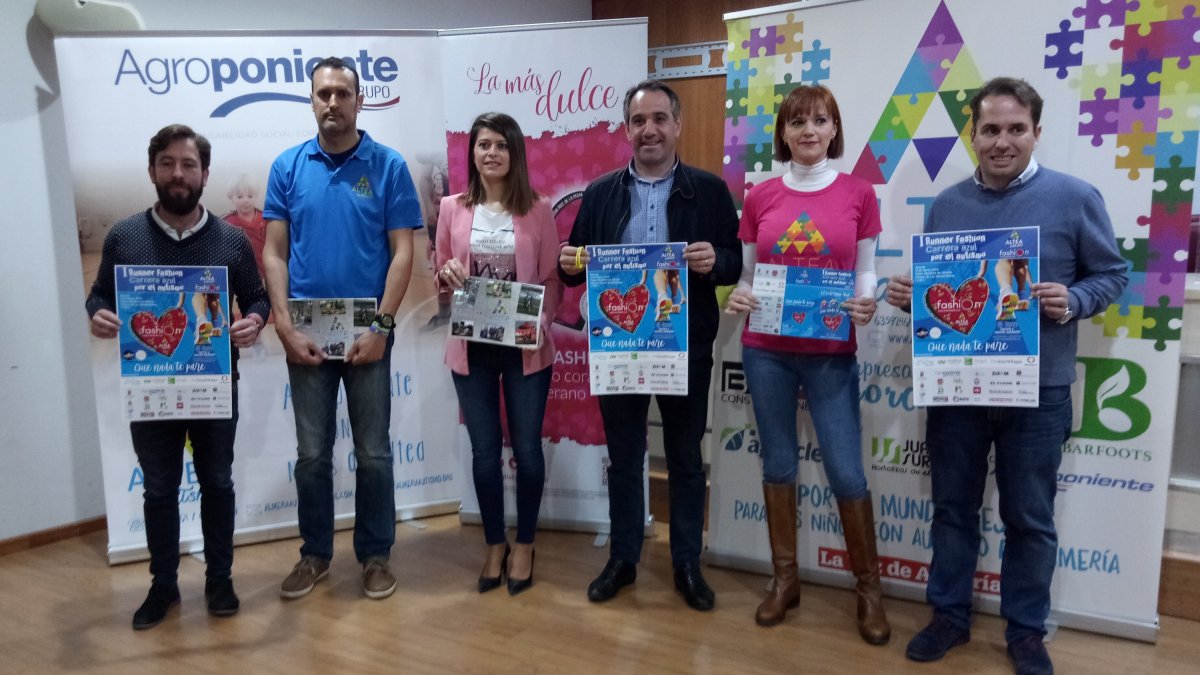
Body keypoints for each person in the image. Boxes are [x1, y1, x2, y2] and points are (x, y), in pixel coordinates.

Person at [885, 77, 1127, 675]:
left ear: (1036, 132)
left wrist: (1071, 300)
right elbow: (951, 296)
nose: (1001, 141)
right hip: (958, 387)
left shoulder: (1075, 197)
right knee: (952, 509)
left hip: (1038, 394)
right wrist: (911, 299)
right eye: (990, 129)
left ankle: (1024, 632)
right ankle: (948, 617)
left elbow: (1113, 275)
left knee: (1029, 519)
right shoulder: (947, 204)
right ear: (973, 135)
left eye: (1015, 129)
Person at [558, 80, 741, 611]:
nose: (649, 130)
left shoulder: (707, 191)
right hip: (619, 348)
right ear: (628, 129)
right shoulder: (600, 193)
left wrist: (717, 262)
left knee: (685, 459)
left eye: (660, 119)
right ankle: (623, 558)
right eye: (639, 121)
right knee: (624, 456)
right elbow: (572, 271)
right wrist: (570, 261)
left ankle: (687, 561)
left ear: (677, 125)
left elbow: (733, 260)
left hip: (685, 347)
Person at [86, 124, 269, 630]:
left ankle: (220, 579)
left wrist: (254, 321)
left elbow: (258, 298)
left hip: (213, 386)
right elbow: (100, 295)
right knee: (160, 490)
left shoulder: (231, 239)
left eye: (189, 164)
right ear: (152, 171)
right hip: (151, 392)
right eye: (167, 163)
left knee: (217, 482)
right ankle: (163, 585)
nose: (178, 173)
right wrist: (98, 313)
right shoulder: (124, 236)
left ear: (205, 174)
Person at [724, 85, 889, 643]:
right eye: (798, 123)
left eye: (820, 120)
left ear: (835, 129)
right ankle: (785, 580)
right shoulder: (760, 196)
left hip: (830, 352)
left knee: (846, 471)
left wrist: (866, 301)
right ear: (784, 133)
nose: (809, 131)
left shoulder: (860, 193)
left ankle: (869, 590)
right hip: (766, 348)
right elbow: (748, 275)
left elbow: (864, 271)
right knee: (778, 466)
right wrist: (737, 296)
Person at [262, 56, 422, 601]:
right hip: (306, 331)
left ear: (359, 100)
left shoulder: (388, 166)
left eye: (342, 93)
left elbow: (403, 253)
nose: (332, 102)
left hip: (368, 330)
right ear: (311, 100)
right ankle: (315, 555)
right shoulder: (288, 165)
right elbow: (274, 252)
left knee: (374, 452)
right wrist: (282, 324)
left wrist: (381, 326)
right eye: (323, 94)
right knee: (312, 454)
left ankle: (376, 555)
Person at [434, 112, 561, 595]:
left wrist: (541, 321)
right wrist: (446, 270)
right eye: (483, 144)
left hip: (524, 349)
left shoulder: (539, 209)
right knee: (485, 454)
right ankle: (494, 543)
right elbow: (440, 266)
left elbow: (551, 280)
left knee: (527, 451)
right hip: (473, 348)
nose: (492, 153)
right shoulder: (451, 207)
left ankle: (525, 542)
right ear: (472, 152)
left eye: (502, 145)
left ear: (515, 154)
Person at [221, 174, 267, 279]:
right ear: (231, 198)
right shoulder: (226, 222)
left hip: (265, 275)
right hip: (238, 276)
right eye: (240, 196)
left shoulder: (266, 219)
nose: (246, 200)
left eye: (250, 196)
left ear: (256, 196)